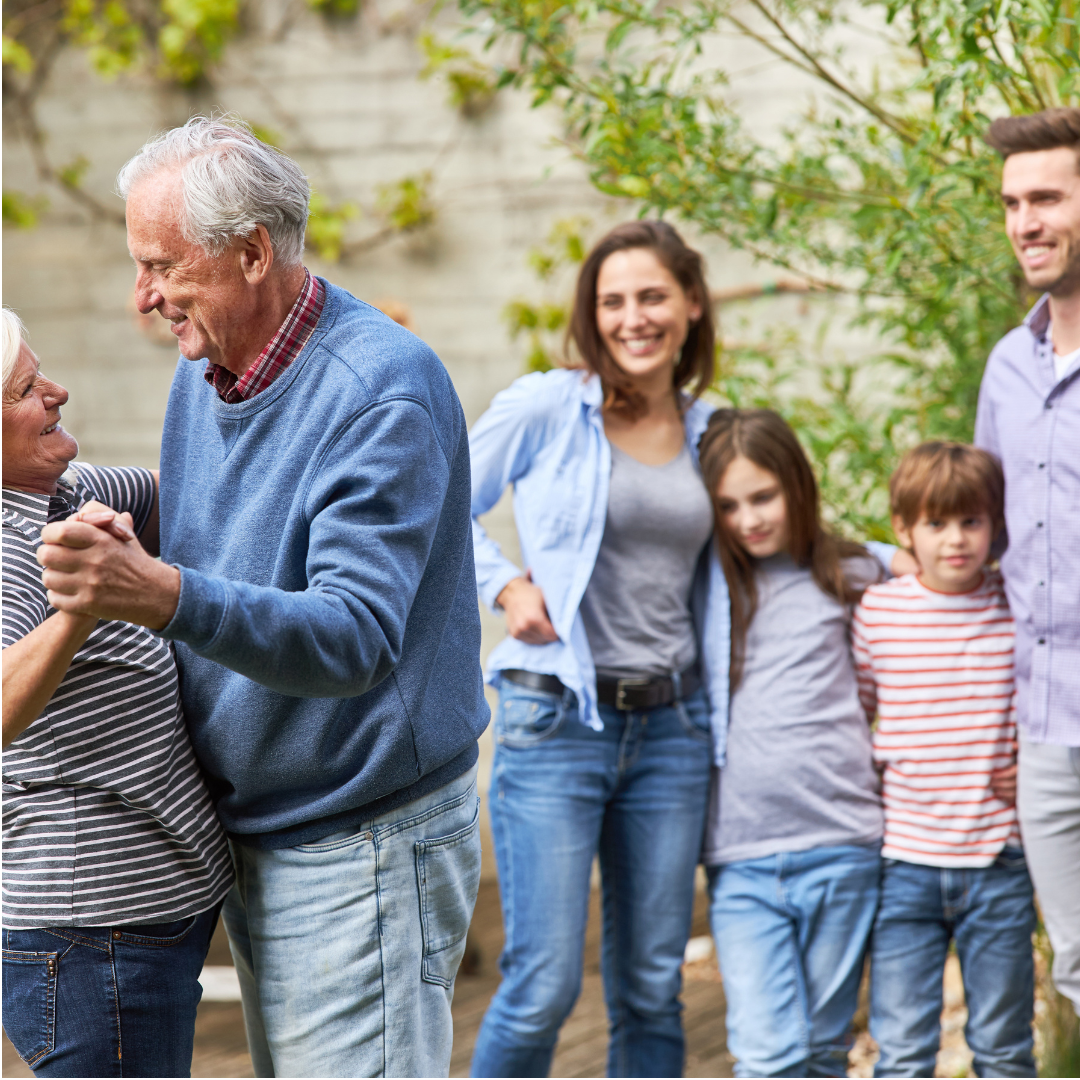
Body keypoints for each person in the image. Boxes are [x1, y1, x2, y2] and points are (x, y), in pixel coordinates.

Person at [34, 116, 489, 1078]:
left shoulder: (377, 394)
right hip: (268, 834)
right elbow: (213, 514)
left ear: (251, 253)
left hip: (363, 837)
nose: (143, 296)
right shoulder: (207, 370)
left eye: (162, 265)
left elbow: (353, 637)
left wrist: (159, 594)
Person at [468, 221, 728, 1078]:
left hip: (673, 730)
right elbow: (429, 504)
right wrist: (508, 586)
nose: (633, 317)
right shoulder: (549, 406)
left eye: (652, 296)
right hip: (557, 723)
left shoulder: (714, 429)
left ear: (690, 304)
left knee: (653, 984)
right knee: (542, 984)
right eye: (612, 301)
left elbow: (777, 542)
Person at [1, 307, 233, 1078]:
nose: (58, 393)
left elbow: (203, 498)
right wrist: (81, 608)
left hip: (149, 908)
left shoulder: (69, 491)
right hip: (91, 933)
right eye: (29, 389)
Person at [697, 407, 884, 1079]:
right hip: (743, 858)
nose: (750, 519)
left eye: (764, 497)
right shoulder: (710, 590)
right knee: (769, 1055)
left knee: (822, 1051)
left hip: (843, 846)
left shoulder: (859, 574)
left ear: (798, 486)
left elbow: (934, 571)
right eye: (729, 505)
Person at [853, 442, 1036, 1077]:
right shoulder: (878, 613)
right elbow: (855, 714)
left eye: (971, 521)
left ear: (995, 525)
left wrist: (1031, 771)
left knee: (1005, 1046)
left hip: (998, 862)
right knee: (902, 1051)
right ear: (903, 529)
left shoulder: (1016, 608)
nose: (955, 540)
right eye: (935, 524)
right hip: (904, 861)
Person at [978, 106, 1080, 1016]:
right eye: (1013, 202)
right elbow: (985, 531)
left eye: (1046, 197)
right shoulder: (1009, 366)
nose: (1025, 223)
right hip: (1046, 720)